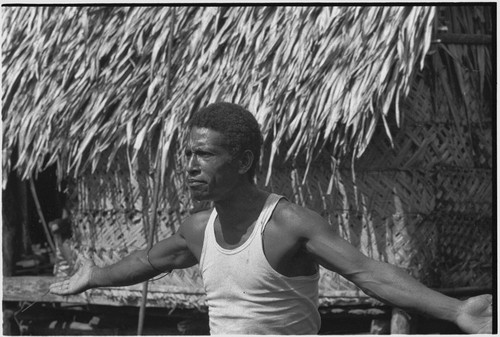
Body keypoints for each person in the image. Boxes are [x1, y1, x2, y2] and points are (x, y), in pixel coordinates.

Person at [50, 102, 493, 334]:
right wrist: (96, 275)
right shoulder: (197, 228)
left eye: (204, 154)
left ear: (243, 161)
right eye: (188, 153)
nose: (189, 166)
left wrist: (456, 310)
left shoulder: (288, 224)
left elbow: (368, 272)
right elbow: (149, 261)